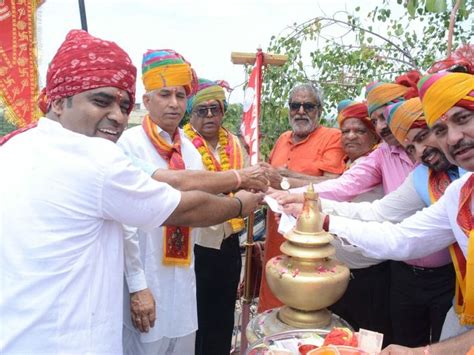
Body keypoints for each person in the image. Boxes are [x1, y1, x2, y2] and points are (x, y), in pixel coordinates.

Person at [0, 30, 262, 354]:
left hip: (26, 332)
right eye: (101, 100)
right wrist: (240, 201)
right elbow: (180, 201)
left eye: (124, 104)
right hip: (77, 334)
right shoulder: (108, 151)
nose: (117, 115)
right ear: (57, 100)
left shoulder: (13, 146)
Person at [280, 97, 458, 346]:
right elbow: (384, 220)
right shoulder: (429, 178)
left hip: (442, 279)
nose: (420, 153)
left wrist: (317, 210)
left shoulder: (455, 179)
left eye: (425, 136)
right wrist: (317, 212)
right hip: (408, 275)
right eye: (410, 147)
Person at [323, 72, 474, 350]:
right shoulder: (458, 193)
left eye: (463, 119)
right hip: (443, 295)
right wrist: (322, 218)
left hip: (447, 284)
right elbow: (399, 235)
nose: (453, 138)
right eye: (440, 130)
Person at [258, 83, 346, 313]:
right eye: (295, 105)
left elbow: (333, 185)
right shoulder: (283, 138)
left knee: (304, 312)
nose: (300, 111)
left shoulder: (332, 138)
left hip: (310, 249)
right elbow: (272, 181)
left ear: (320, 109)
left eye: (308, 106)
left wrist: (285, 181)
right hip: (276, 241)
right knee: (272, 310)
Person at [183, 78, 246, 355]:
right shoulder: (183, 144)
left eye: (215, 109)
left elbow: (244, 182)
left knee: (222, 316)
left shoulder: (233, 142)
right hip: (195, 245)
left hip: (229, 241)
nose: (209, 116)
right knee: (196, 318)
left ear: (223, 112)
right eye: (202, 110)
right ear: (191, 114)